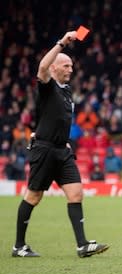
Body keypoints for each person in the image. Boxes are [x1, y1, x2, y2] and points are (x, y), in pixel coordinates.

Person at [11, 31, 108, 258]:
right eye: (66, 66)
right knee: (34, 197)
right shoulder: (48, 86)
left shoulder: (67, 92)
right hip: (44, 150)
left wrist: (63, 142)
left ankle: (82, 245)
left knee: (76, 193)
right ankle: (18, 246)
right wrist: (62, 43)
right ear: (54, 68)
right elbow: (41, 68)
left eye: (71, 66)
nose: (70, 70)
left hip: (61, 150)